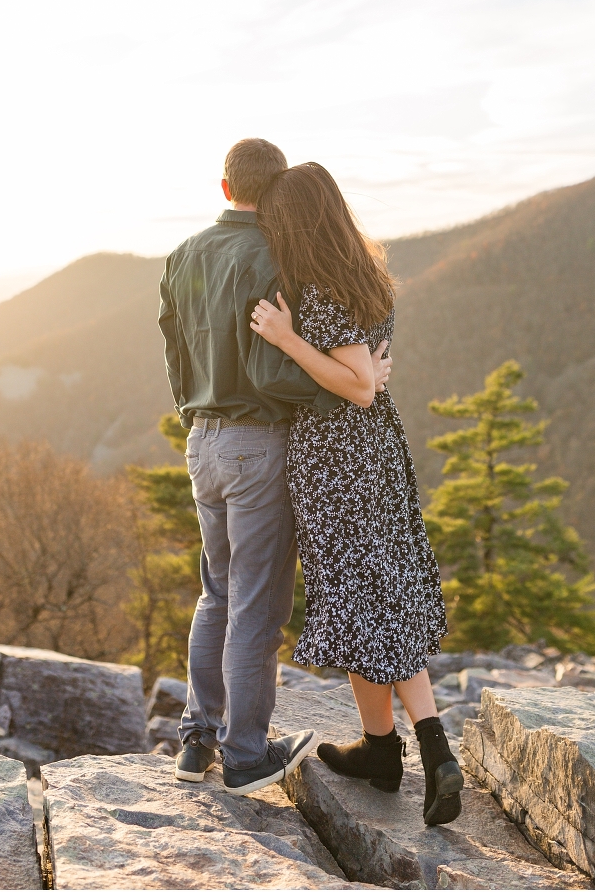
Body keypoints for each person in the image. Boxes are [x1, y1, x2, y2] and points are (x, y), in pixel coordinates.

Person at [158, 139, 391, 797]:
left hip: (202, 440)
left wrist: (192, 412)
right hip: (258, 442)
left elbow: (173, 346)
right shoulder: (280, 257)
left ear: (226, 187)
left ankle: (197, 738)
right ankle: (246, 754)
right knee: (258, 604)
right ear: (279, 186)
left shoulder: (181, 256)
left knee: (218, 591)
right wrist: (355, 381)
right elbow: (284, 367)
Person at [250, 161, 464, 826]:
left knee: (362, 597)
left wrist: (287, 339)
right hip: (377, 454)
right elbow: (369, 371)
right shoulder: (365, 272)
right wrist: (362, 367)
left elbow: (359, 383)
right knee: (370, 597)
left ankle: (434, 749)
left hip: (338, 459)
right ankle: (381, 748)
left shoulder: (316, 288)